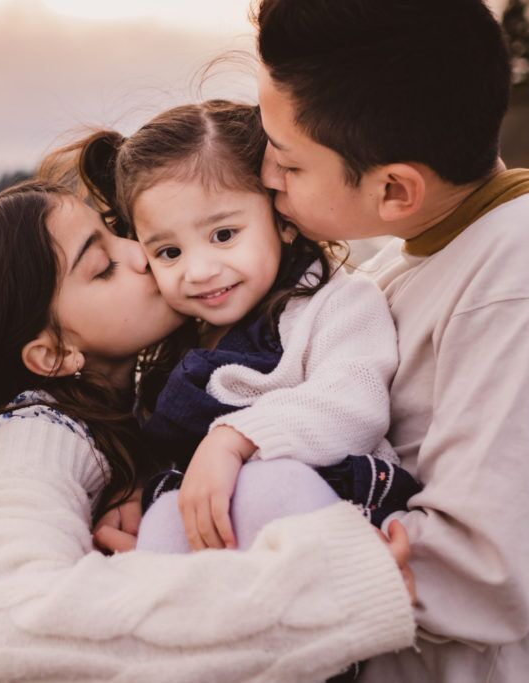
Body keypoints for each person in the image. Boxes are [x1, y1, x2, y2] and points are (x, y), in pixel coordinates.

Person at [254, 0, 529, 681]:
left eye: (287, 162)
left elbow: (481, 569)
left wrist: (229, 567)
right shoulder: (404, 255)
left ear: (394, 189)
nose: (265, 175)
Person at [0, 179, 416, 682]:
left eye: (115, 232)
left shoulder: (132, 405)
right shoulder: (29, 438)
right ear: (53, 354)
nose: (140, 254)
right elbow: (11, 627)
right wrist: (333, 588)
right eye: (103, 268)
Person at [72, 101, 420, 557]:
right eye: (169, 253)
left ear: (283, 220)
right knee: (162, 516)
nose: (198, 270)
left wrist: (234, 440)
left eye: (223, 235)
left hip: (331, 499)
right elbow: (162, 440)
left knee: (271, 481)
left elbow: (355, 401)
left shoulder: (336, 302)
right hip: (228, 535)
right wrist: (133, 485)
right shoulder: (177, 339)